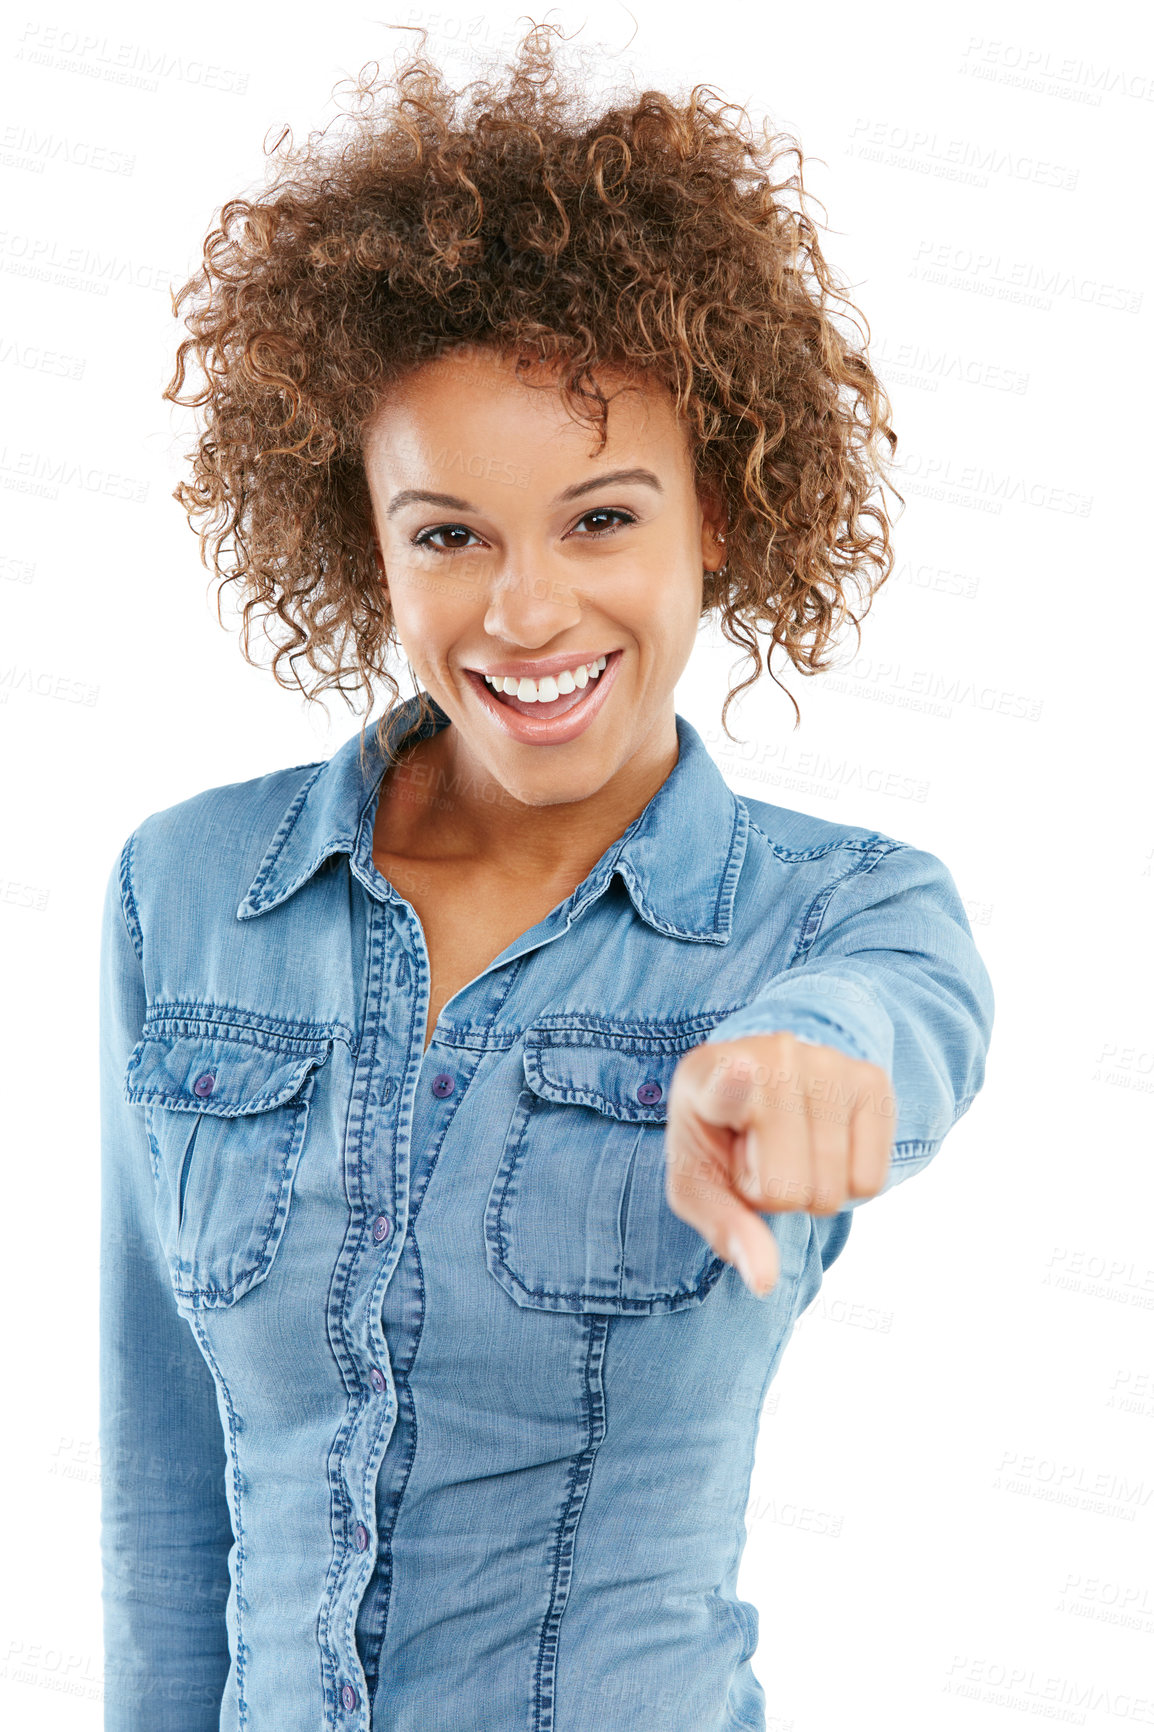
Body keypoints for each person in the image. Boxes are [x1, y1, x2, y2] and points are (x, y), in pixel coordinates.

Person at [98, 23, 995, 1732]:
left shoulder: (843, 917)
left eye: (599, 520)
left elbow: (892, 1027)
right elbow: (166, 1497)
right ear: (358, 535)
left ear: (717, 516)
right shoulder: (186, 888)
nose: (522, 615)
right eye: (448, 533)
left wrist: (803, 1063)